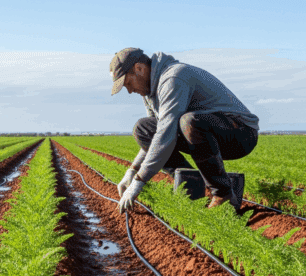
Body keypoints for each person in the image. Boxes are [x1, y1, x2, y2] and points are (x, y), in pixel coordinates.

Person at [109, 47, 259, 213]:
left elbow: (165, 134)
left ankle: (223, 194)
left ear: (139, 69)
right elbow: (157, 136)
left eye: (128, 83)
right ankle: (193, 190)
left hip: (241, 133)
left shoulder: (173, 78)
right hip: (206, 129)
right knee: (144, 129)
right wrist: (133, 170)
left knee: (189, 122)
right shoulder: (149, 92)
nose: (129, 91)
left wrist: (139, 180)